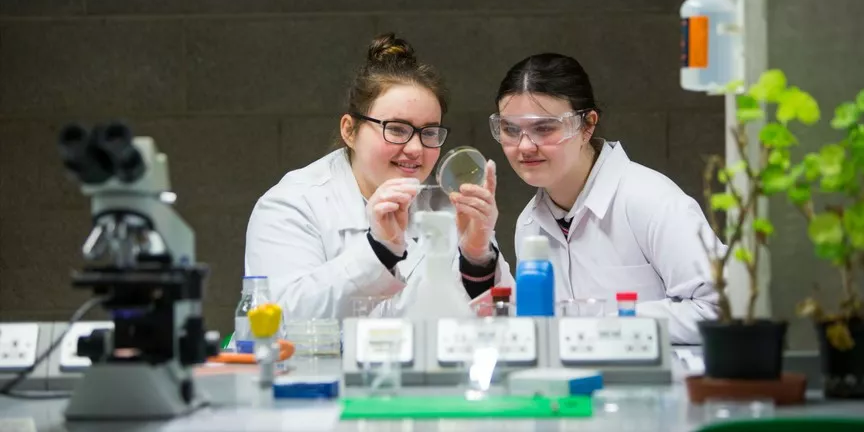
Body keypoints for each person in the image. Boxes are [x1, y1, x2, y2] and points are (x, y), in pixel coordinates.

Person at [245, 33, 512, 320]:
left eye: (429, 132)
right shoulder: (292, 205)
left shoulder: (447, 206)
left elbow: (508, 331)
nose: (415, 149)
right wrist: (379, 250)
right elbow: (273, 324)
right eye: (397, 129)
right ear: (349, 130)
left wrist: (476, 259)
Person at [490, 53, 720, 344]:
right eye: (511, 129)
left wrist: (611, 322)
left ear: (587, 125)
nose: (524, 146)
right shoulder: (529, 223)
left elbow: (719, 308)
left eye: (544, 128)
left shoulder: (651, 200)